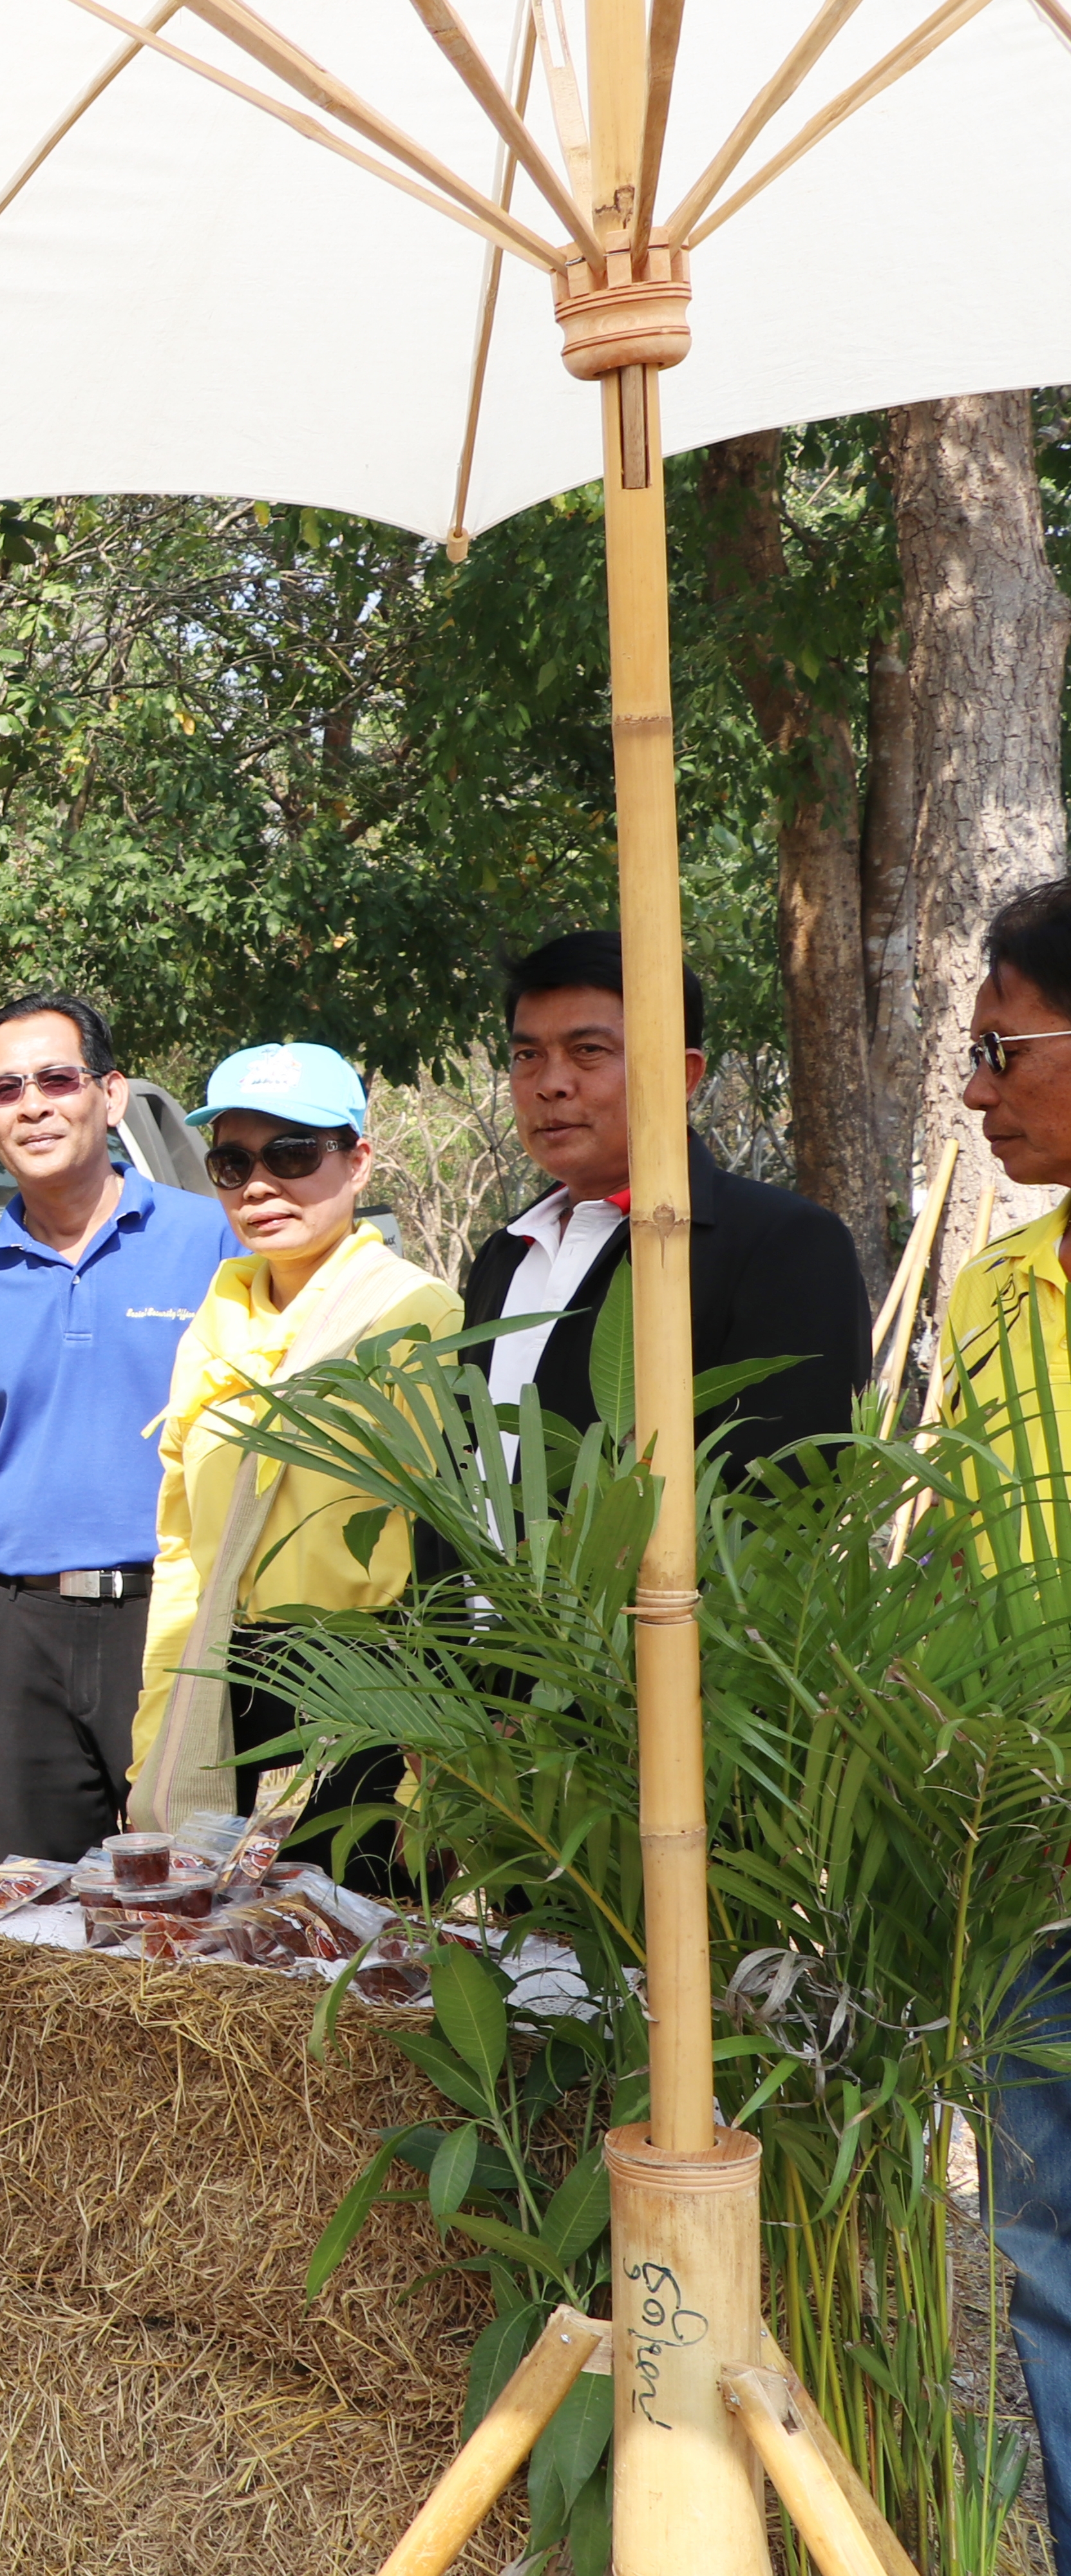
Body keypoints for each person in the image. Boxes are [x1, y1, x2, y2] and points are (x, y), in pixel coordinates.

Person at [0, 994, 234, 1867]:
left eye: (57, 1078)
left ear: (110, 1094)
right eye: (5, 1088)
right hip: (21, 1631)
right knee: (45, 1908)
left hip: (175, 1619)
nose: (33, 1104)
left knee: (193, 1899)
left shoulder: (214, 1243)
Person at [129, 1046, 459, 1873]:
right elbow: (182, 1550)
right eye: (233, 1162)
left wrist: (433, 1774)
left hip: (372, 1688)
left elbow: (453, 1553)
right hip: (227, 1675)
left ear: (358, 1160)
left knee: (345, 1950)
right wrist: (158, 1742)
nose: (260, 1186)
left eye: (293, 1154)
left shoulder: (418, 1315)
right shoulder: (218, 1317)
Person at [939, 883, 1071, 2576]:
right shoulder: (993, 1293)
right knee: (1042, 2254)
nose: (975, 1094)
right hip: (1033, 1878)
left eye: (999, 1050)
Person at [464, 931, 869, 1471]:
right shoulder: (506, 1253)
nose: (551, 1084)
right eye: (527, 1055)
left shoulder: (780, 1243)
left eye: (589, 1051)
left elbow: (787, 1494)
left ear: (682, 1074)